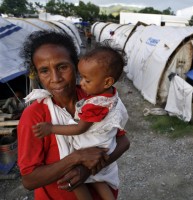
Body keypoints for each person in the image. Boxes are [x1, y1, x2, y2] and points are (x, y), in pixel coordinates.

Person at [18, 30, 130, 200]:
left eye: (62, 67)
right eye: (44, 71)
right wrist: (76, 158)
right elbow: (29, 180)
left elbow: (123, 141)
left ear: (75, 66)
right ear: (38, 74)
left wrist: (87, 170)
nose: (55, 78)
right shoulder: (34, 115)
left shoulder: (96, 99)